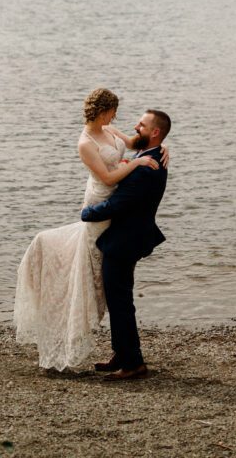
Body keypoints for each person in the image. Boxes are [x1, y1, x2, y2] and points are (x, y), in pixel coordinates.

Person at [13, 88, 166, 371]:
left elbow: (135, 141)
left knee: (112, 287)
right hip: (101, 201)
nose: (117, 117)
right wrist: (138, 161)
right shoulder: (85, 143)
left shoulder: (111, 132)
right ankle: (120, 351)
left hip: (116, 213)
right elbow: (108, 177)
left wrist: (158, 148)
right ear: (104, 111)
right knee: (101, 279)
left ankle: (127, 357)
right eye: (113, 111)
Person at [81, 107, 170, 380]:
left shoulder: (147, 168)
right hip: (129, 237)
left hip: (124, 241)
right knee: (119, 299)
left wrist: (87, 213)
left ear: (154, 132)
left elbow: (119, 204)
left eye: (141, 125)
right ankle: (122, 353)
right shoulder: (150, 155)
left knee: (120, 301)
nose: (135, 127)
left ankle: (133, 363)